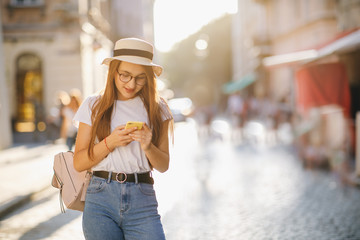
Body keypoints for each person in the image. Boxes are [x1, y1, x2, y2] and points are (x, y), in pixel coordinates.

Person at [73, 38, 173, 240]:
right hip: (100, 197)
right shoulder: (93, 105)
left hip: (142, 199)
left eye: (140, 78)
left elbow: (163, 166)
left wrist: (147, 146)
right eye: (125, 75)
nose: (131, 84)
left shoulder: (157, 107)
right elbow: (79, 162)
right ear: (113, 71)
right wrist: (111, 142)